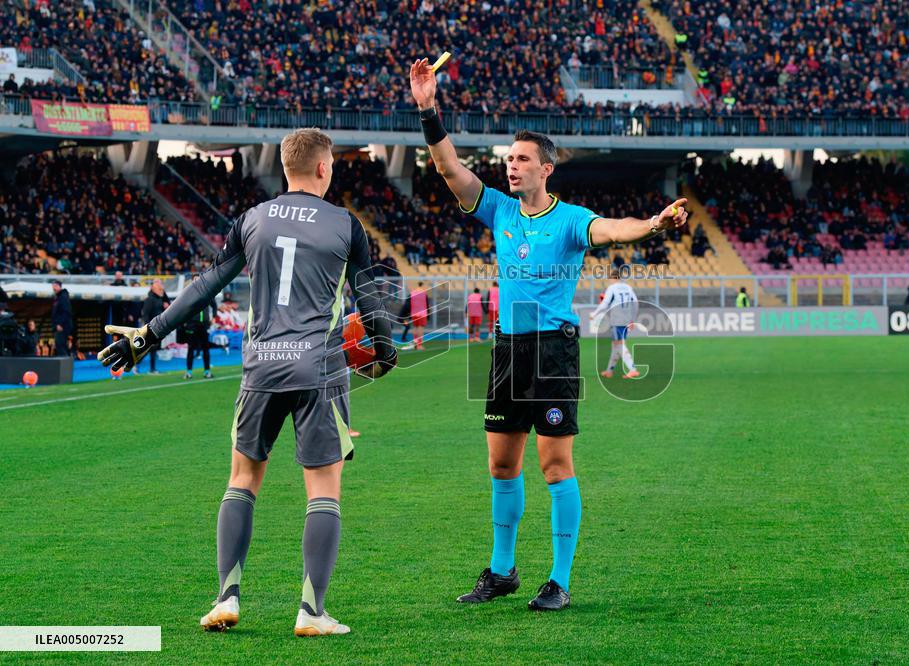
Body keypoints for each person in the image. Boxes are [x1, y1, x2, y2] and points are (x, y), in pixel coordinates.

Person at [410, 59, 688, 611]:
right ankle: (502, 571)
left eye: (521, 160)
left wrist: (653, 224)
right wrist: (427, 109)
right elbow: (447, 168)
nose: (510, 167)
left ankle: (559, 580)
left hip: (553, 350)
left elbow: (613, 229)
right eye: (508, 159)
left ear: (546, 169)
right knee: (501, 465)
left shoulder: (571, 219)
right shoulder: (497, 208)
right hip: (507, 348)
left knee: (554, 465)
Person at [98, 128, 397, 637]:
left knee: (242, 480)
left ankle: (226, 598)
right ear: (323, 168)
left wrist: (147, 336)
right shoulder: (346, 225)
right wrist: (385, 350)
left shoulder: (253, 219)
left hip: (261, 367)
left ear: (285, 168)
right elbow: (368, 301)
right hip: (319, 370)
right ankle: (311, 611)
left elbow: (206, 285)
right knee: (323, 488)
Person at [589, 268, 640, 379]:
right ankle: (609, 371)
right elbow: (635, 303)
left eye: (610, 278)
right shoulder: (628, 287)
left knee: (619, 344)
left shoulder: (612, 288)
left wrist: (594, 313)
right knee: (615, 346)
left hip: (617, 320)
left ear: (614, 278)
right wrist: (633, 319)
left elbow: (605, 303)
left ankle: (633, 369)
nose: (609, 280)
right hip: (626, 319)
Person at [140, 280, 170, 374]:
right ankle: (144, 367)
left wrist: (165, 307)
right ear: (154, 289)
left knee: (151, 348)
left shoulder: (159, 299)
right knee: (149, 348)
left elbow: (163, 306)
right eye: (159, 288)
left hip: (157, 327)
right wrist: (148, 327)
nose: (162, 290)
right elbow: (145, 314)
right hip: (151, 327)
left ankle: (150, 368)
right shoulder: (149, 299)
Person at [182, 300, 214, 379]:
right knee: (191, 348)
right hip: (192, 325)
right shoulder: (190, 295)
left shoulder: (208, 295)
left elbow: (214, 306)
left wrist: (214, 317)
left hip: (204, 325)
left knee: (206, 348)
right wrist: (185, 321)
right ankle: (189, 371)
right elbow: (183, 307)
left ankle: (207, 371)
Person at [51, 280, 73, 356]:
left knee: (61, 346)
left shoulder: (63, 297)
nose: (53, 288)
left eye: (55, 286)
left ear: (59, 286)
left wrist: (60, 324)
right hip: (60, 326)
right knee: (61, 346)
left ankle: (65, 362)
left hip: (62, 327)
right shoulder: (59, 297)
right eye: (53, 286)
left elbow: (66, 312)